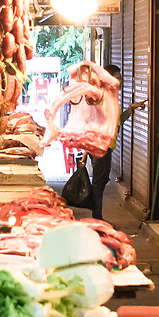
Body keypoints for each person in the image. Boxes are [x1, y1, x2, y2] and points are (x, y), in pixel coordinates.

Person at [43, 60, 122, 212]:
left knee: (101, 182)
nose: (118, 82)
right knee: (99, 184)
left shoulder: (108, 97)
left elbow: (115, 121)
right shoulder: (99, 94)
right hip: (100, 147)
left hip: (102, 146)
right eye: (116, 78)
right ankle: (97, 217)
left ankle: (97, 215)